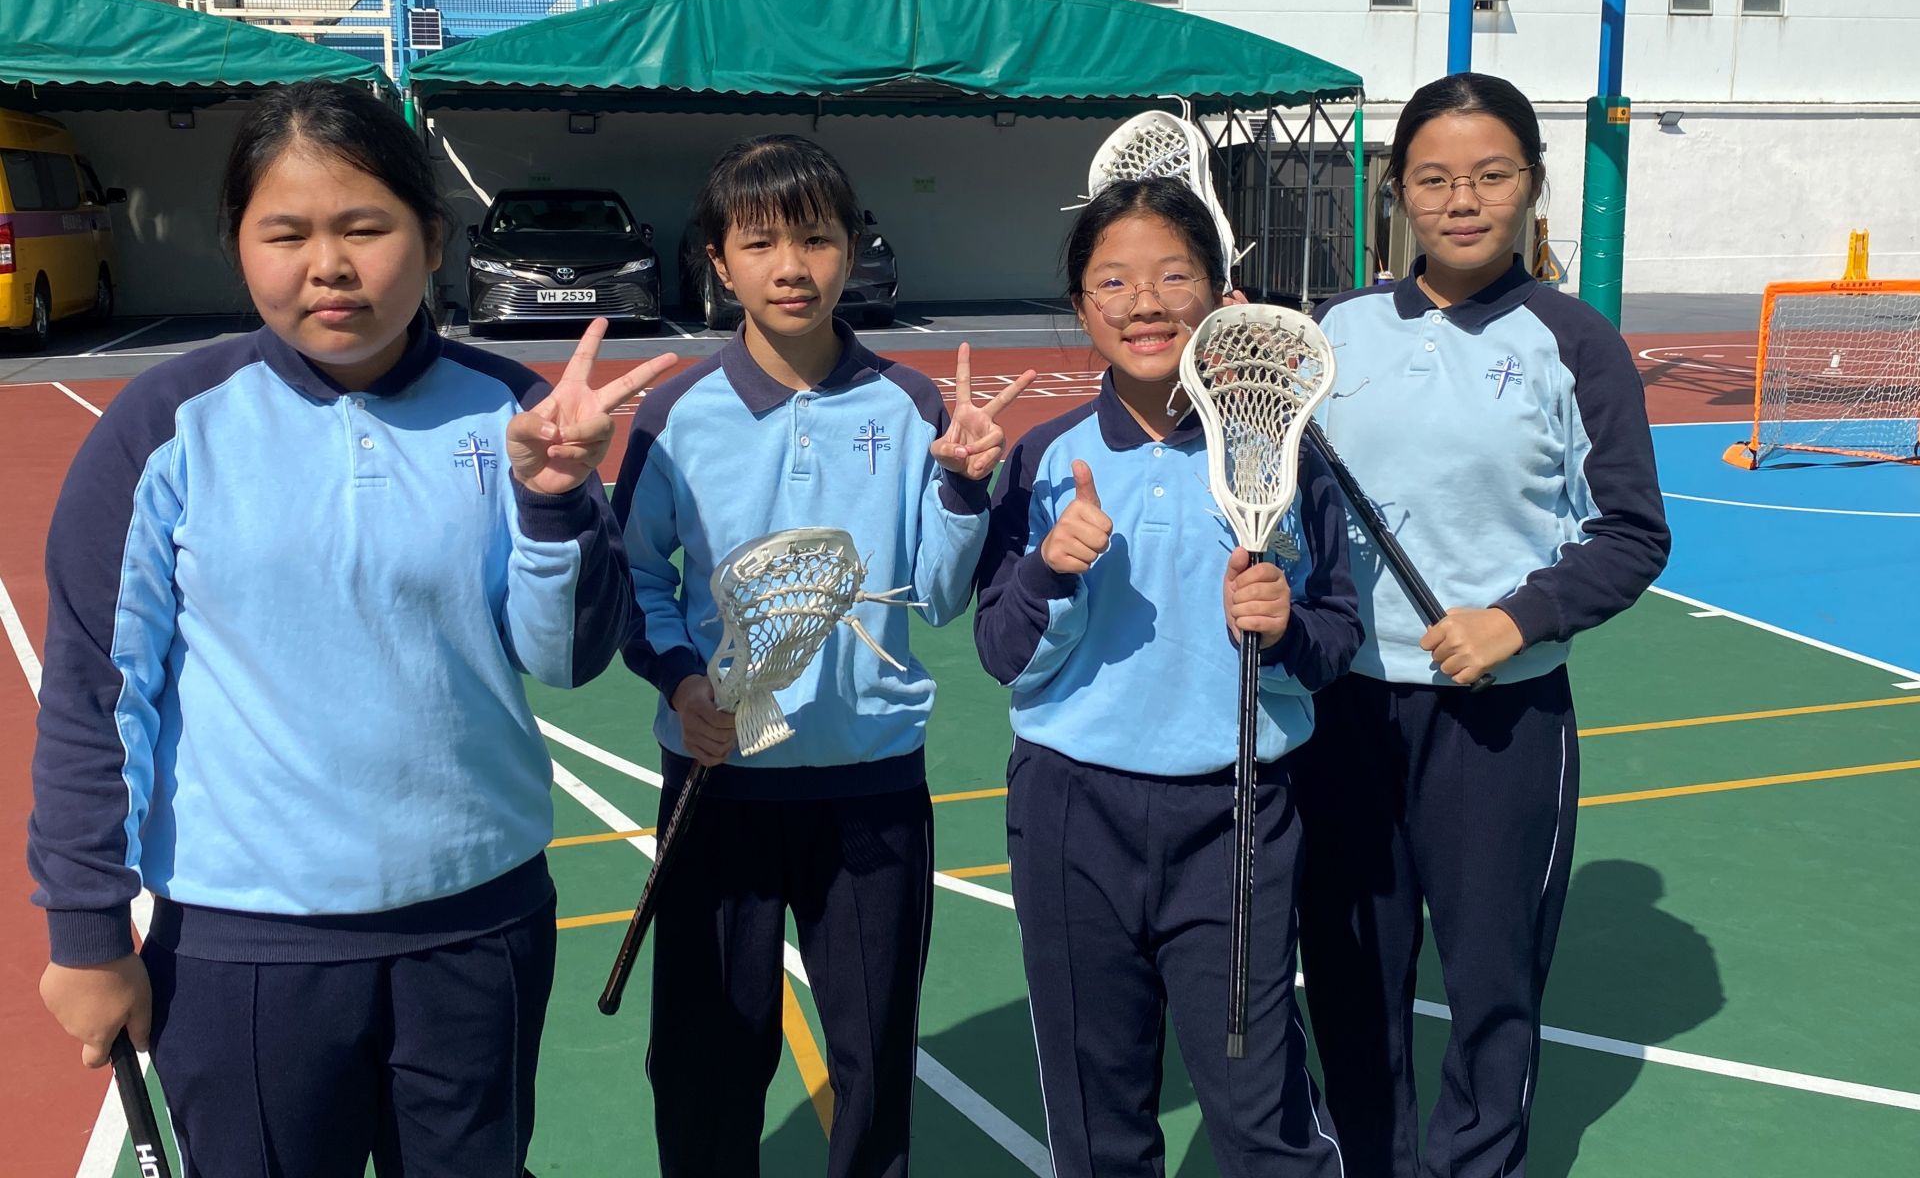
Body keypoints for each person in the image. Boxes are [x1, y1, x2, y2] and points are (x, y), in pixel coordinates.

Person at [29, 78, 672, 1176]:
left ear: (433, 239)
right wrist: (87, 928)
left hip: (477, 923)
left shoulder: (517, 414)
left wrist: (554, 500)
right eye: (286, 234)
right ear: (239, 245)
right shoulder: (165, 428)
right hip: (245, 943)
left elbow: (566, 660)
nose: (328, 265)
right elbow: (97, 690)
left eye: (365, 228)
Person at [611, 133, 1031, 1178]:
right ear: (718, 261)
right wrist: (682, 682)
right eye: (759, 244)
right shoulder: (676, 414)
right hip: (718, 782)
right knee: (707, 1064)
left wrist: (963, 486)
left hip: (870, 786)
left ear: (852, 248)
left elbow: (938, 594)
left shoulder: (911, 405)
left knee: (874, 1061)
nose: (791, 267)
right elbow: (636, 580)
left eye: (816, 238)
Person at [1296, 71, 1671, 1178]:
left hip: (1496, 723)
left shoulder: (1575, 341)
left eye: (1491, 174)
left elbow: (1632, 533)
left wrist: (1518, 621)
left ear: (1533, 184)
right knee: (1350, 974)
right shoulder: (1338, 330)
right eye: (1433, 178)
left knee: (1491, 987)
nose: (1461, 200)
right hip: (1343, 712)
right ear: (1399, 194)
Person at [971, 175, 1358, 1178]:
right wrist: (1048, 572)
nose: (1144, 303)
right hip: (1070, 813)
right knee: (1096, 1110)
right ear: (1081, 307)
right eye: (1113, 281)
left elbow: (1337, 636)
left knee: (1258, 1103)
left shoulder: (1288, 461)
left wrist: (1285, 627)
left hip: (1236, 814)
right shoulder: (1045, 459)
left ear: (1220, 295)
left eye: (1173, 276)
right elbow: (1001, 650)